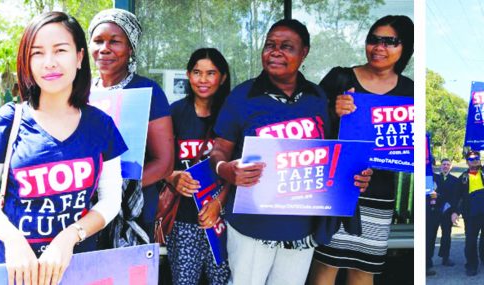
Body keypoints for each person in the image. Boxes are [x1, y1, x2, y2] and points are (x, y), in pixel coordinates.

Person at [0, 11, 126, 284]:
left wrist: (70, 236)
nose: (49, 62)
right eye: (37, 53)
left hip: (77, 268)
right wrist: (13, 239)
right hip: (13, 270)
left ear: (78, 57)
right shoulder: (8, 120)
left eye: (60, 50)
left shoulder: (101, 124)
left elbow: (110, 200)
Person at [209, 19, 374, 285]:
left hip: (300, 228)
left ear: (304, 52)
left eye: (286, 46)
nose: (275, 52)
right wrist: (225, 169)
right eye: (270, 45)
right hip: (252, 226)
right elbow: (219, 150)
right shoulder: (243, 96)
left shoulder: (318, 99)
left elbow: (333, 157)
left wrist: (356, 177)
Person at [310, 15, 414, 285]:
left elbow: (409, 147)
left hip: (378, 194)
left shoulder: (410, 91)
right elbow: (310, 125)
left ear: (405, 47)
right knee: (324, 268)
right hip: (337, 188)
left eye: (389, 41)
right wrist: (332, 111)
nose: (379, 47)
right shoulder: (339, 77)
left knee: (363, 271)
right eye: (373, 40)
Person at [88, 8, 175, 246]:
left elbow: (165, 163)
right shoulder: (80, 91)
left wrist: (114, 192)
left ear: (131, 48)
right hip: (83, 210)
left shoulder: (147, 92)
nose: (104, 48)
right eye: (98, 41)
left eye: (114, 41)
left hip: (132, 210)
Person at [163, 48, 232, 284]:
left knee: (222, 280)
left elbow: (241, 167)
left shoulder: (232, 115)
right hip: (183, 220)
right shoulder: (174, 113)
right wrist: (172, 177)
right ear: (188, 75)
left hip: (223, 220)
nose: (203, 80)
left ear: (223, 78)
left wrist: (219, 203)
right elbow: (158, 160)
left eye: (211, 73)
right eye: (196, 72)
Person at [432, 159, 460, 266]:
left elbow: (457, 198)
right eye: (444, 164)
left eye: (448, 165)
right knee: (431, 235)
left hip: (447, 212)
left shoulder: (455, 180)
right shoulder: (434, 178)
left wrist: (455, 212)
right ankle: (427, 258)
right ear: (440, 166)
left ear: (451, 167)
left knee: (446, 235)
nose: (446, 166)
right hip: (434, 210)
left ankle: (445, 257)